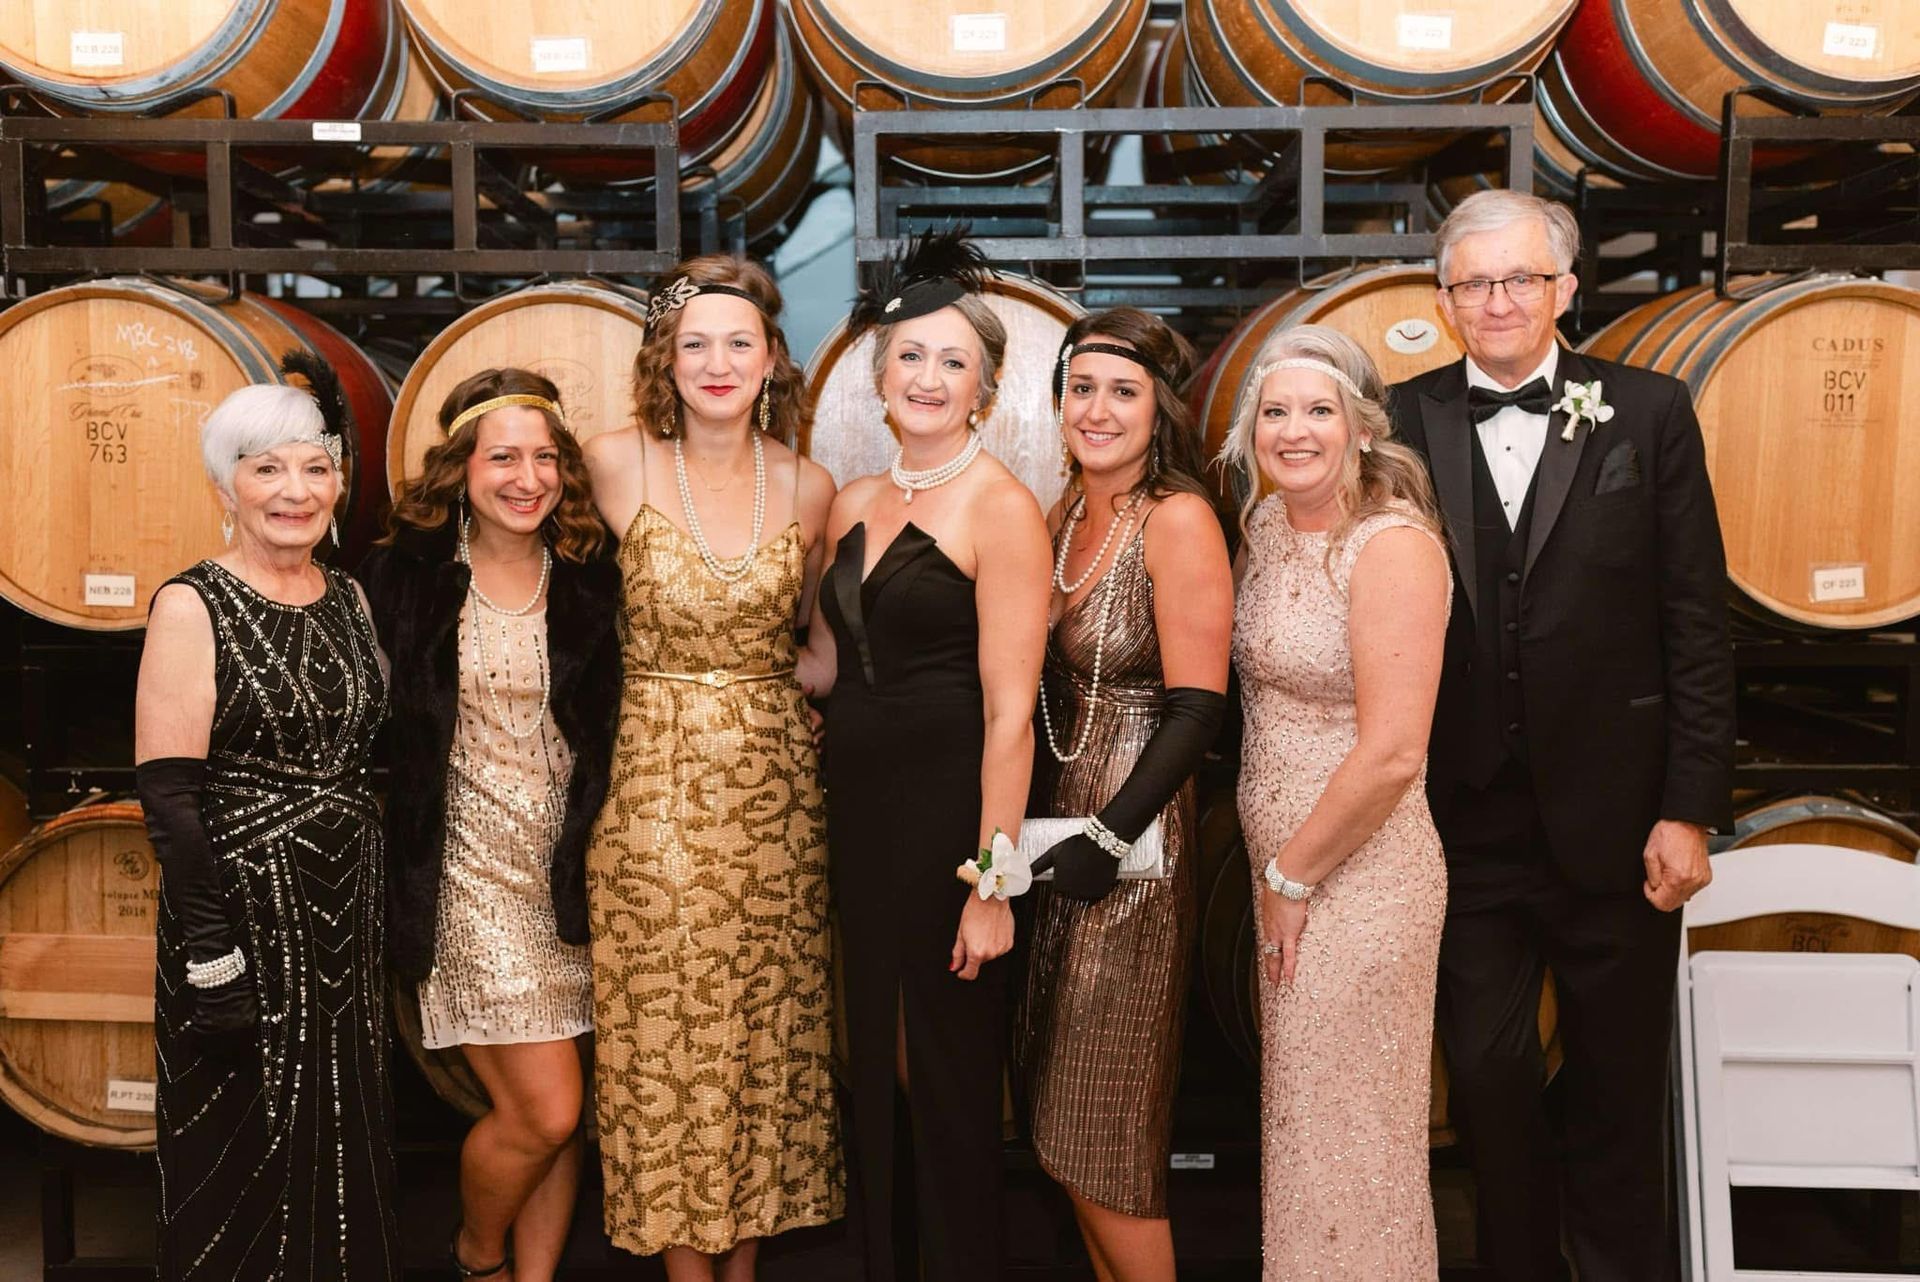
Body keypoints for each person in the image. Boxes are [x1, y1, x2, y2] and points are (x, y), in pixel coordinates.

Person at [1390, 188, 1734, 1282]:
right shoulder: (1399, 419)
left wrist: (1688, 808)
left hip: (1622, 821)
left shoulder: (1648, 410)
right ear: (1444, 301)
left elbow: (1697, 623)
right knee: (1490, 1087)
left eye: (1520, 279)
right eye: (1474, 283)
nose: (1497, 300)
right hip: (1464, 822)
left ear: (1564, 291)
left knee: (1619, 1096)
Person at [796, 230, 1051, 1282]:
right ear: (879, 373)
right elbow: (823, 663)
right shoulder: (854, 502)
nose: (930, 377)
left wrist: (992, 884)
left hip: (951, 819)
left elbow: (1010, 716)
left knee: (944, 1079)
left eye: (954, 362)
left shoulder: (1003, 508)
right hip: (859, 817)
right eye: (912, 356)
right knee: (881, 1068)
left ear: (985, 388)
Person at [581, 255, 842, 1280]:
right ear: (666, 359)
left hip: (778, 808)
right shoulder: (614, 462)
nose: (718, 361)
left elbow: (817, 642)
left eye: (740, 342)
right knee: (668, 1044)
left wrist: (810, 692)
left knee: (764, 1041)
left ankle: (744, 1267)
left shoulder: (810, 485)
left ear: (772, 360)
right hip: (651, 794)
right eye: (696, 343)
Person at [134, 355, 397, 1280]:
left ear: (339, 481)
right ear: (226, 484)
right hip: (241, 927)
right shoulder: (191, 604)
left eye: (315, 467)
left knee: (344, 1144)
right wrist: (212, 959)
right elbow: (169, 797)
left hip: (344, 929)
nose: (296, 490)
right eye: (266, 468)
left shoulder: (353, 599)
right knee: (241, 1156)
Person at [356, 369, 619, 1282]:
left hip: (573, 875)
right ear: (461, 467)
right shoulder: (406, 576)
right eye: (502, 456)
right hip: (462, 872)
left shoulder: (594, 573)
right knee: (543, 1110)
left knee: (567, 1110)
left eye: (546, 457)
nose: (527, 477)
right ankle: (477, 1257)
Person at [1223, 323, 1452, 1279]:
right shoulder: (1267, 528)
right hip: (1289, 883)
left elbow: (1395, 752)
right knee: (1308, 1132)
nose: (1294, 431)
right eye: (1274, 412)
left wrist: (1291, 873)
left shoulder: (1391, 546)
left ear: (1361, 428)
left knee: (1357, 1140)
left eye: (1319, 411)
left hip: (1358, 881)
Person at [1010, 308, 1231, 1282]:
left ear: (1161, 410)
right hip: (1058, 842)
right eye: (1082, 387)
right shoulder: (1060, 512)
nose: (1097, 409)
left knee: (1107, 1137)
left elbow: (1197, 709)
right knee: (1059, 1127)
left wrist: (1110, 833)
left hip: (1135, 853)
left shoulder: (1175, 518)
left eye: (1123, 392)